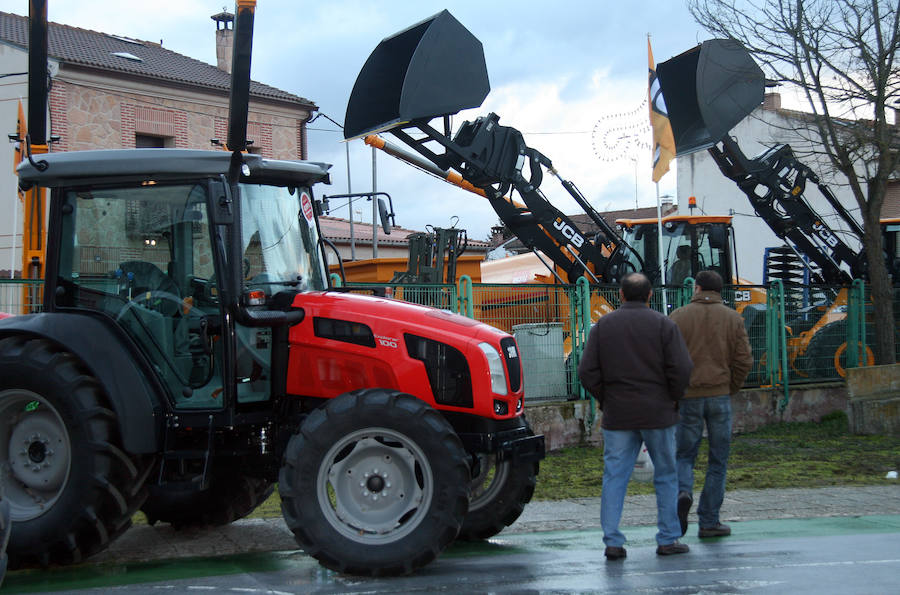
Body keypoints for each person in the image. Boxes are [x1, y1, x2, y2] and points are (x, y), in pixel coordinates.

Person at [578, 272, 694, 560]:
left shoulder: (603, 326)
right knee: (667, 475)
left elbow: (586, 371)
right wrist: (672, 398)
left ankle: (613, 542)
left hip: (618, 414)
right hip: (659, 413)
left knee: (614, 476)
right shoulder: (664, 325)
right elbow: (681, 368)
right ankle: (668, 538)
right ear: (650, 295)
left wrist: (606, 398)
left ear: (621, 295)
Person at [669, 270, 753, 539]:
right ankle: (709, 521)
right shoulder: (733, 318)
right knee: (718, 460)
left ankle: (683, 491)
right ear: (719, 291)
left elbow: (667, 360)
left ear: (697, 288)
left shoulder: (679, 317)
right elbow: (744, 360)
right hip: (719, 396)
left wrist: (674, 391)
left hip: (688, 396)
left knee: (684, 455)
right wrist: (731, 387)